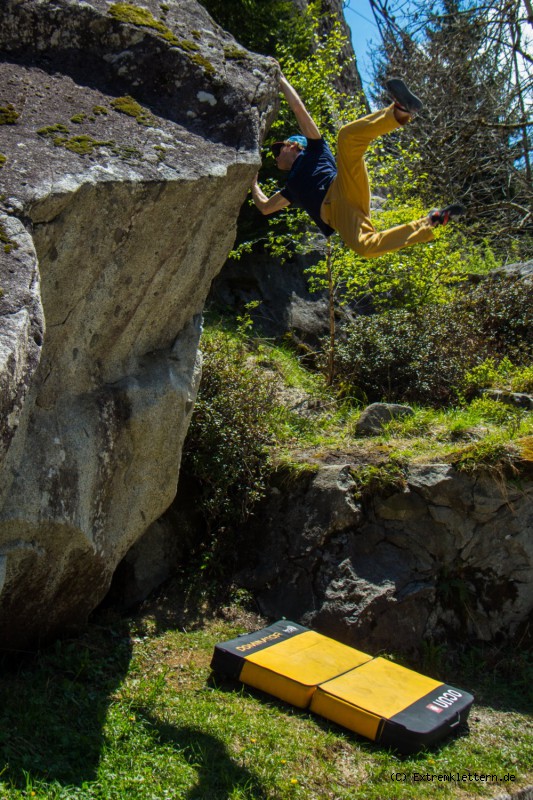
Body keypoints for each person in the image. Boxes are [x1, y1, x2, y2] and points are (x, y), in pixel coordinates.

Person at [251, 75, 465, 258]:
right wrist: (252, 180)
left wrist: (280, 79)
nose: (276, 156)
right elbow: (265, 207)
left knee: (347, 137)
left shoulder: (315, 149)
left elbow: (298, 108)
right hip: (337, 214)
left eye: (279, 150)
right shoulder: (291, 188)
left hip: (342, 185)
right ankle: (431, 222)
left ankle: (399, 111)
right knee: (365, 246)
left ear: (295, 146)